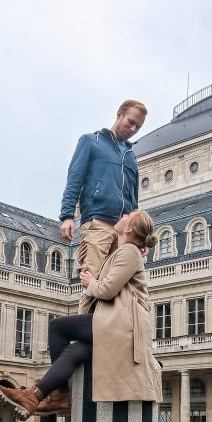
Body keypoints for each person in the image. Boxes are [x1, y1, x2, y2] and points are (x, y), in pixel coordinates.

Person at [3, 210, 161, 420]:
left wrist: (90, 282)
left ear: (129, 228)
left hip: (122, 325)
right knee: (76, 350)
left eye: (127, 216)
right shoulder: (124, 252)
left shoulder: (130, 251)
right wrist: (85, 266)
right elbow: (106, 280)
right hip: (116, 324)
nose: (121, 215)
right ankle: (38, 395)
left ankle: (59, 393)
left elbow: (106, 290)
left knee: (58, 327)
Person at [59, 100, 147, 301]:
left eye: (138, 127)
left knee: (120, 289)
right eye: (131, 122)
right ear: (119, 114)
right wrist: (67, 216)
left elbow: (134, 201)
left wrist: (139, 235)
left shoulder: (131, 156)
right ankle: (86, 331)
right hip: (98, 222)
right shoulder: (91, 141)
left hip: (124, 231)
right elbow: (74, 180)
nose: (133, 129)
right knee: (92, 281)